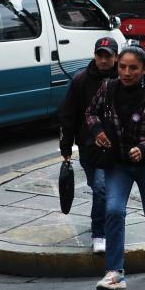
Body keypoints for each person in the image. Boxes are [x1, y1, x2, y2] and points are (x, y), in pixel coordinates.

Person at [85, 46, 145, 290]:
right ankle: (114, 272)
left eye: (133, 68)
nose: (126, 72)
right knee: (113, 210)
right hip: (118, 164)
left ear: (143, 69)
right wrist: (98, 131)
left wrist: (144, 148)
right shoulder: (108, 87)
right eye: (122, 67)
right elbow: (90, 113)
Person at [57, 37, 118, 254]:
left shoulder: (124, 77)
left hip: (118, 146)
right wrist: (66, 149)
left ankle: (104, 224)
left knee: (108, 190)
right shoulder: (80, 81)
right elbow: (68, 115)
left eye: (107, 56)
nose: (103, 60)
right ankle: (99, 233)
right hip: (90, 147)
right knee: (100, 187)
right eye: (99, 55)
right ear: (94, 55)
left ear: (115, 57)